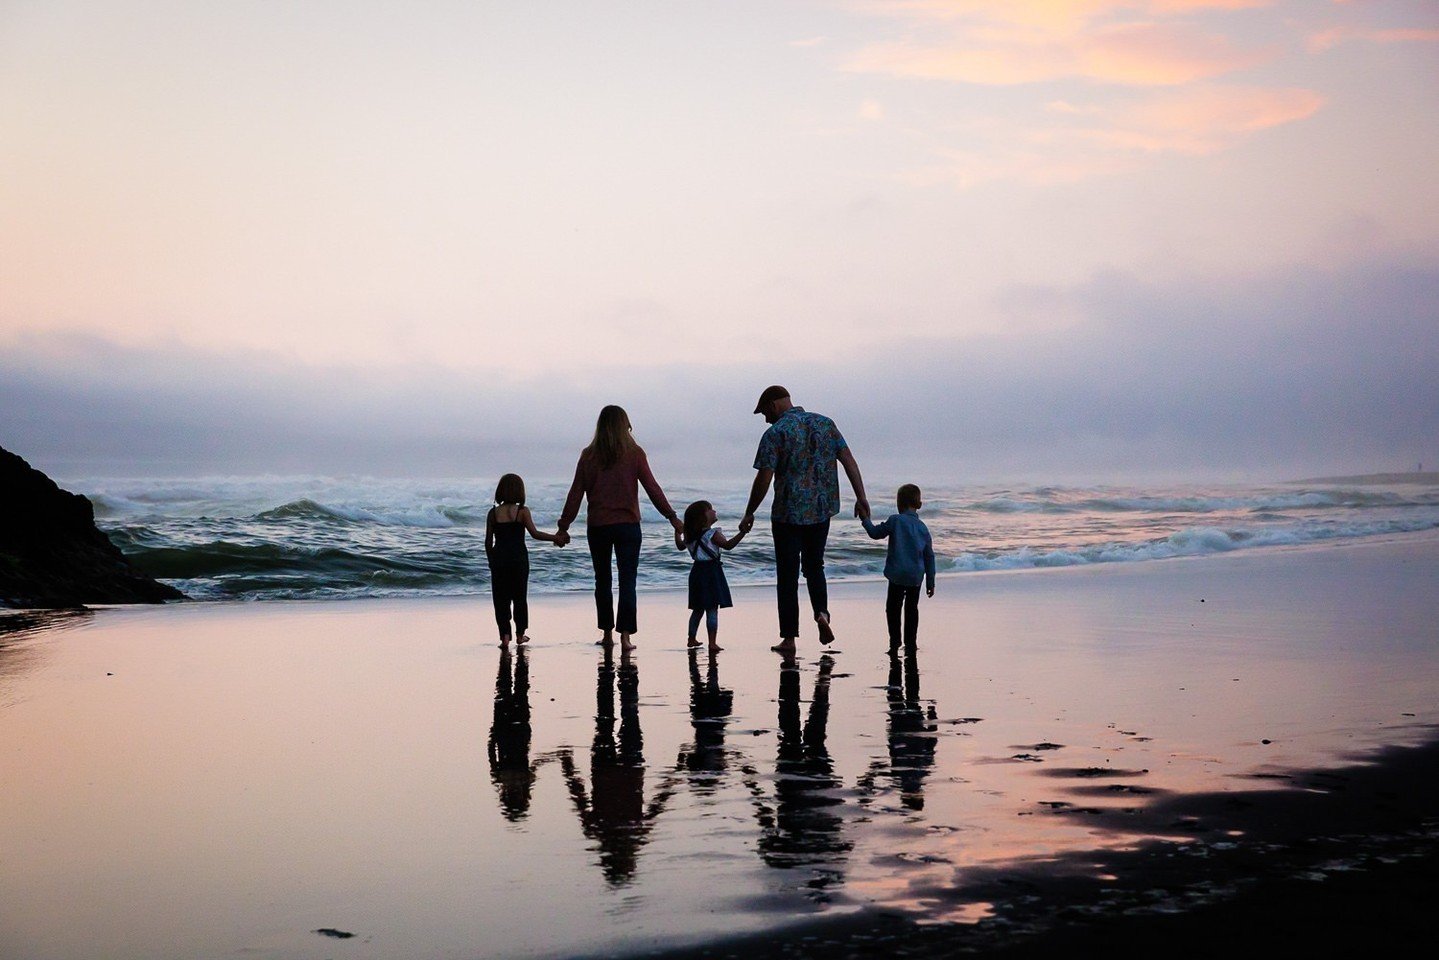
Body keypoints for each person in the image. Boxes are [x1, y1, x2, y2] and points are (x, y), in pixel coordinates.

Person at [739, 386, 870, 654]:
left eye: (765, 412)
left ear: (774, 404)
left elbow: (764, 478)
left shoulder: (775, 433)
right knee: (814, 566)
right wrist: (861, 497)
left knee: (787, 575)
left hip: (787, 513)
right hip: (821, 510)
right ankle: (821, 613)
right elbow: (848, 461)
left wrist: (750, 510)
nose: (765, 418)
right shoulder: (825, 424)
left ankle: (789, 639)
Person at [557, 405, 685, 651]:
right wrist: (672, 517)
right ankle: (625, 637)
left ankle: (607, 634)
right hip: (628, 527)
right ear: (624, 425)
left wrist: (564, 526)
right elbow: (652, 488)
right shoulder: (634, 453)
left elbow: (576, 493)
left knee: (602, 580)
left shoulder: (588, 455)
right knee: (628, 580)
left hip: (599, 527)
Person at [485, 473, 562, 645]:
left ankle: (505, 636)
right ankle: (520, 634)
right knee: (520, 597)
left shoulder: (493, 514)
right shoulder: (522, 512)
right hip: (518, 559)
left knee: (501, 599)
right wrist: (555, 538)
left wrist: (491, 561)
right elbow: (535, 534)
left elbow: (488, 541)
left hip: (499, 559)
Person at [860, 483, 936, 650]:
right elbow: (929, 556)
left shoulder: (895, 520)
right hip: (916, 575)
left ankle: (895, 641)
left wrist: (865, 519)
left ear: (899, 504)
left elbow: (875, 533)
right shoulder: (923, 528)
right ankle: (911, 643)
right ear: (919, 505)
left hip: (897, 573)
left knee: (893, 609)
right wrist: (930, 581)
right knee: (911, 609)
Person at [679, 500, 746, 651]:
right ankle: (712, 642)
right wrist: (743, 532)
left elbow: (679, 546)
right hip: (711, 572)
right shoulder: (712, 534)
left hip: (696, 572)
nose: (714, 511)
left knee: (698, 609)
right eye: (710, 509)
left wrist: (677, 532)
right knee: (712, 608)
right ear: (703, 517)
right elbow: (728, 545)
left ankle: (691, 638)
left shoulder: (691, 535)